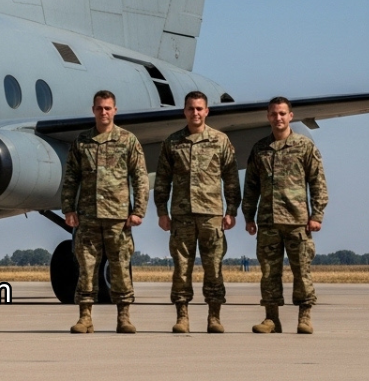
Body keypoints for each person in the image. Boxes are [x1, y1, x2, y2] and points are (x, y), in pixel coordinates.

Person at [60, 90, 148, 334]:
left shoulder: (128, 140)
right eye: (100, 108)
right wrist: (68, 208)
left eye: (108, 108)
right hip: (87, 216)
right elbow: (70, 178)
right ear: (93, 110)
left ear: (115, 110)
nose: (104, 112)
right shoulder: (82, 142)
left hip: (118, 218)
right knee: (86, 267)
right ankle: (85, 317)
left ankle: (123, 317)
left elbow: (140, 177)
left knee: (120, 267)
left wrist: (138, 210)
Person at [155, 91, 240, 333]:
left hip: (211, 216)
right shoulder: (172, 143)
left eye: (199, 108)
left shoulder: (220, 141)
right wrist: (162, 211)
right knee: (181, 270)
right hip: (181, 216)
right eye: (191, 108)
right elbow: (162, 180)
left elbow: (231, 179)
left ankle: (214, 317)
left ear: (207, 111)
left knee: (214, 268)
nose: (195, 113)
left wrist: (231, 210)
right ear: (184, 111)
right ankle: (182, 316)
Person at [242, 96, 329, 334]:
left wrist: (317, 215)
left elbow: (318, 182)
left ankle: (305, 316)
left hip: (297, 221)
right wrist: (248, 217)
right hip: (268, 222)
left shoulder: (304, 146)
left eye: (282, 113)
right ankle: (271, 319)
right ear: (268, 117)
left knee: (302, 270)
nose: (277, 118)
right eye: (273, 114)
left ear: (290, 116)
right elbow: (250, 187)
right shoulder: (260, 149)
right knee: (269, 272)